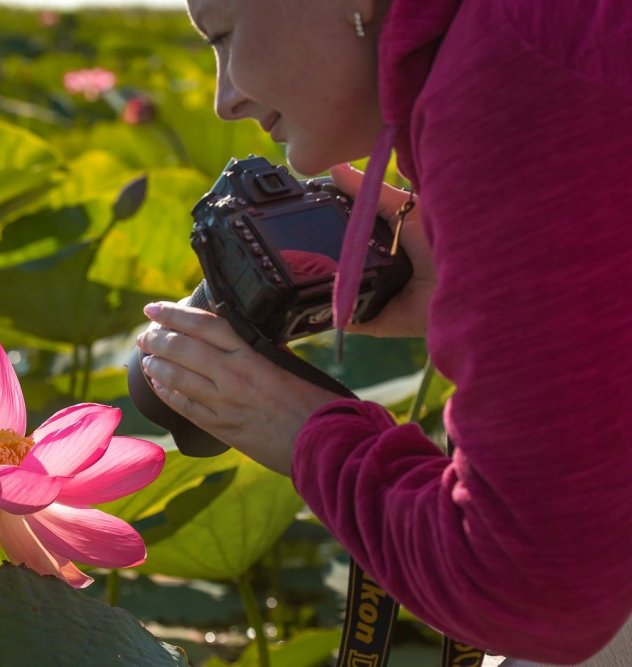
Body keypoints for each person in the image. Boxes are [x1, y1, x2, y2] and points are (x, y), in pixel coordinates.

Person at [134, 0, 632, 664]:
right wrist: (517, 289)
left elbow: (532, 588)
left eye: (223, 35)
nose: (225, 99)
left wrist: (305, 431)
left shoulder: (505, 76)